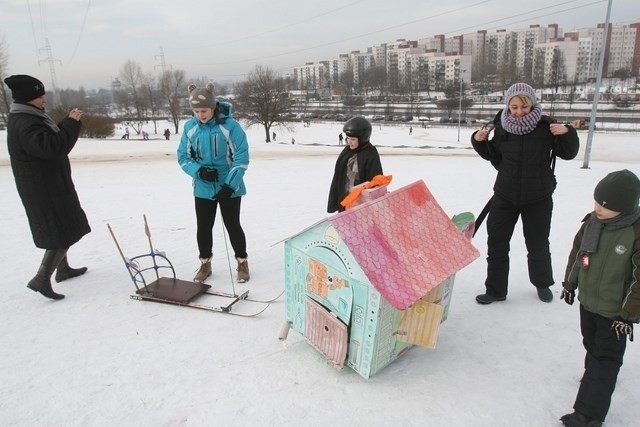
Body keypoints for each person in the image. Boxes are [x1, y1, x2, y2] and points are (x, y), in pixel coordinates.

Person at [471, 82, 579, 304]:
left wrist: (567, 132)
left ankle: (542, 284)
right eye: (514, 107)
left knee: (538, 244)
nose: (519, 112)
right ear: (508, 107)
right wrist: (478, 140)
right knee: (497, 244)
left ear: (532, 104)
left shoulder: (546, 127)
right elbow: (494, 156)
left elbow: (568, 153)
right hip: (504, 196)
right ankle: (495, 290)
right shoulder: (501, 128)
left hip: (538, 197)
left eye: (524, 106)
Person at [559, 169, 640, 427]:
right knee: (592, 345)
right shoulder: (592, 224)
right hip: (589, 302)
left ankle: (588, 415)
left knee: (606, 359)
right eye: (597, 202)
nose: (599, 208)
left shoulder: (635, 233)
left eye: (607, 206)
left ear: (625, 208)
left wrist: (627, 315)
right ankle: (594, 375)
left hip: (615, 312)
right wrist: (570, 284)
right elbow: (578, 255)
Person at [4, 74, 91, 300]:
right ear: (28, 97)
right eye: (39, 95)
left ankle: (63, 269)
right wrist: (72, 123)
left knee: (64, 225)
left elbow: (49, 139)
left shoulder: (30, 117)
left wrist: (67, 122)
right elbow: (54, 147)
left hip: (49, 184)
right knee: (59, 231)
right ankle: (42, 279)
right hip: (43, 189)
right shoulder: (25, 122)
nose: (44, 98)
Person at [177, 83, 250, 283]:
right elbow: (183, 156)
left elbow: (241, 157)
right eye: (197, 111)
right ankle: (205, 263)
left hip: (230, 186)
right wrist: (199, 171)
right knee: (203, 227)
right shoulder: (190, 127)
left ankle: (242, 261)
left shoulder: (230, 126)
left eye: (204, 110)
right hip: (203, 186)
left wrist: (230, 185)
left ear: (213, 106)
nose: (201, 115)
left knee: (232, 225)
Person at [327, 116, 383, 213]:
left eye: (353, 139)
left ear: (362, 139)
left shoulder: (370, 153)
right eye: (347, 138)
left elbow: (375, 180)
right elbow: (338, 177)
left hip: (361, 204)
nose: (349, 142)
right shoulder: (347, 151)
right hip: (345, 200)